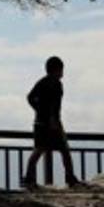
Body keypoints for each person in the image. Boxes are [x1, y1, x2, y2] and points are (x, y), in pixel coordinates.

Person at [21, 56, 84, 189]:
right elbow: (44, 102)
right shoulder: (51, 84)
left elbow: (30, 98)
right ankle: (70, 179)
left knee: (40, 150)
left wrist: (39, 112)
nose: (62, 72)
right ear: (56, 70)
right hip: (49, 124)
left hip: (44, 122)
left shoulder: (45, 82)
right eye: (61, 69)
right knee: (61, 150)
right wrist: (46, 115)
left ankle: (29, 179)